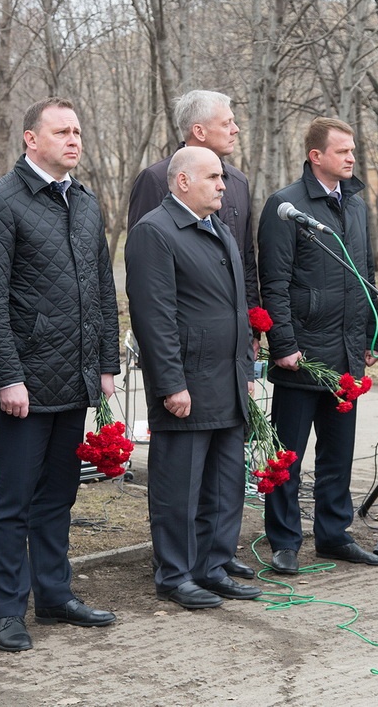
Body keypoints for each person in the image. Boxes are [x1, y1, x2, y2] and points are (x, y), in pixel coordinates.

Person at [0, 97, 120, 652]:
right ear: (31, 140)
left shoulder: (84, 202)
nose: (74, 140)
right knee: (12, 503)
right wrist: (8, 377)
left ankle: (55, 595)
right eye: (61, 132)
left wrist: (106, 363)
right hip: (24, 386)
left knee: (59, 496)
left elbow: (103, 290)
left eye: (78, 130)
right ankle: (9, 610)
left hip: (75, 380)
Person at [128, 89, 259, 581]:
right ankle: (176, 573)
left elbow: (238, 306)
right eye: (213, 177)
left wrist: (246, 370)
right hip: (186, 384)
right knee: (180, 487)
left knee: (226, 483)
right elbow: (154, 317)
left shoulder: (218, 230)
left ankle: (215, 563)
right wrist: (170, 384)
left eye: (223, 177)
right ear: (181, 181)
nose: (224, 185)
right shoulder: (154, 232)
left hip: (227, 380)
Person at [257, 117, 378, 574]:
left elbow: (366, 275)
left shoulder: (357, 206)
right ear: (316, 157)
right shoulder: (286, 206)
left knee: (338, 452)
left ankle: (333, 533)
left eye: (353, 151)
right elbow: (275, 281)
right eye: (343, 151)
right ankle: (284, 540)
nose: (352, 158)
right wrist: (284, 343)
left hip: (347, 355)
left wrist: (370, 334)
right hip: (303, 354)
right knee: (288, 453)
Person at [128, 89, 258, 310]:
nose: (235, 130)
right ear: (199, 131)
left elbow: (246, 258)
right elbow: (143, 270)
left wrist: (253, 325)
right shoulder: (156, 179)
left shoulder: (237, 181)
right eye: (227, 124)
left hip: (236, 331)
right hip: (183, 328)